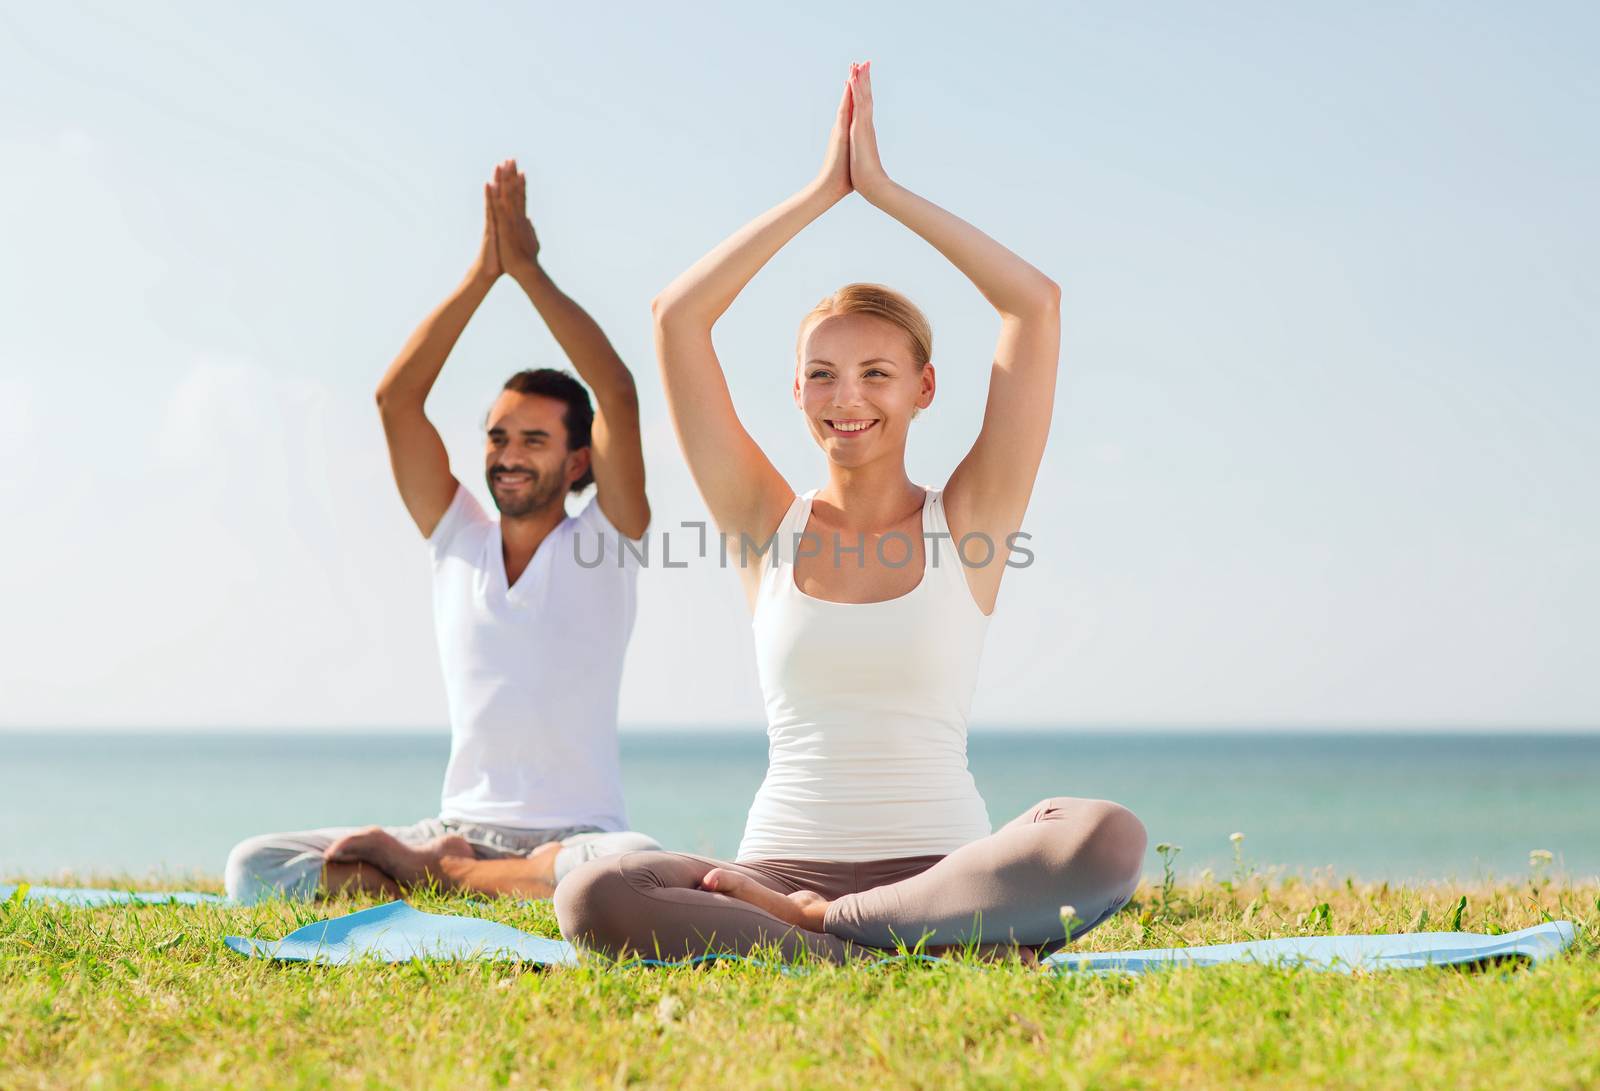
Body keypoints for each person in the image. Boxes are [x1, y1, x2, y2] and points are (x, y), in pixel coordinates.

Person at [555, 64, 1146, 961]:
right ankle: (910, 951)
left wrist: (884, 192)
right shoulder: (766, 523)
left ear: (923, 389)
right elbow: (678, 317)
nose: (848, 397)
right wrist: (820, 194)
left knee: (1105, 833)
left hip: (940, 877)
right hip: (773, 874)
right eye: (823, 373)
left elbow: (1034, 303)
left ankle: (839, 936)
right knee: (595, 890)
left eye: (876, 373)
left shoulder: (969, 520)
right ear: (796, 389)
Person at [224, 160, 660, 903]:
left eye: (532, 438)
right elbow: (396, 399)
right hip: (456, 823)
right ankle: (463, 871)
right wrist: (482, 274)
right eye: (496, 437)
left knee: (631, 865)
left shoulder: (608, 539)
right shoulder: (457, 535)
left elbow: (616, 389)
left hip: (576, 834)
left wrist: (528, 273)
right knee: (253, 865)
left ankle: (440, 879)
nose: (508, 454)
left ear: (579, 457)